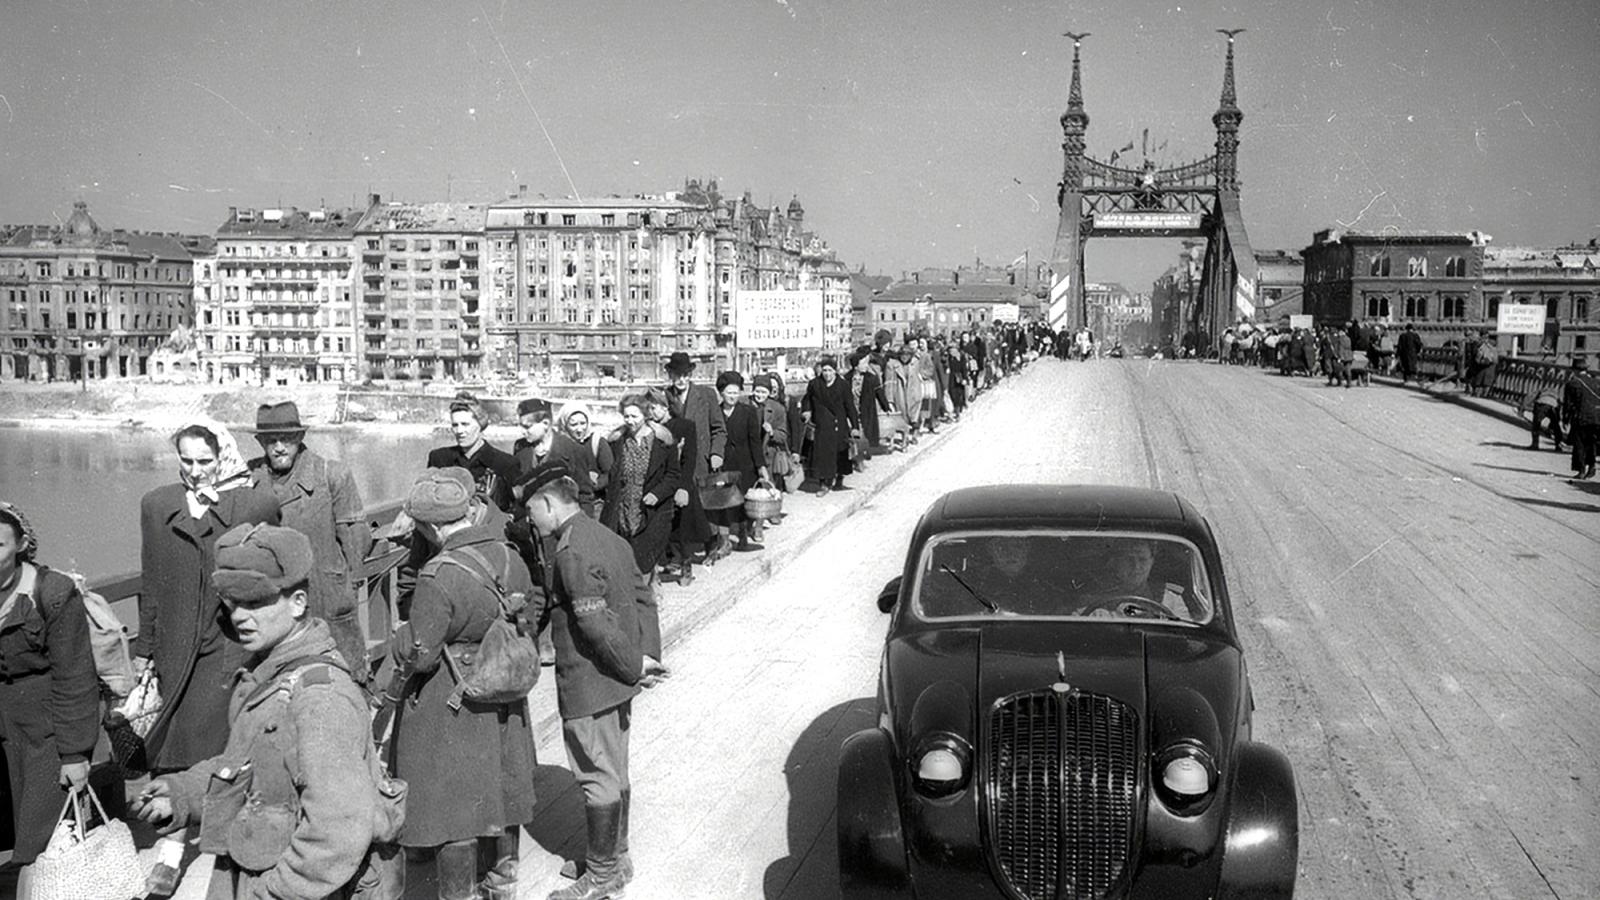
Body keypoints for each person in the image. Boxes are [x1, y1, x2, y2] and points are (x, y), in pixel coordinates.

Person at [130, 524, 391, 900]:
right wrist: (181, 792)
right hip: (257, 870)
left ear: (298, 602)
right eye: (232, 604)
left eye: (254, 603)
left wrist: (276, 891)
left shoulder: (319, 697)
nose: (238, 617)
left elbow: (338, 826)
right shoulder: (268, 673)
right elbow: (246, 764)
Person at [387, 468, 537, 900]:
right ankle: (503, 886)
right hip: (503, 688)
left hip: (453, 698)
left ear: (432, 526)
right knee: (501, 792)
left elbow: (421, 652)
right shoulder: (509, 555)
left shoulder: (437, 574)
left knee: (454, 807)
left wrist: (401, 635)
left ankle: (460, 894)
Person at [521, 463, 666, 900]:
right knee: (614, 769)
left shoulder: (570, 552)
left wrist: (632, 666)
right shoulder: (607, 537)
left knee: (595, 775)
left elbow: (594, 625)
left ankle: (601, 877)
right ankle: (616, 859)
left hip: (590, 681)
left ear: (548, 503)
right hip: (617, 683)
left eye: (532, 511)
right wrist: (646, 657)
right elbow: (644, 596)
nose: (530, 520)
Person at [0, 502, 98, 898]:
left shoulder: (53, 592)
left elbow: (75, 675)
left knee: (41, 835)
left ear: (21, 545)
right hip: (4, 724)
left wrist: (75, 754)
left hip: (45, 728)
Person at [247, 401, 373, 685]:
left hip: (327, 606)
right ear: (260, 442)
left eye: (287, 439)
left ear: (300, 438)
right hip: (274, 608)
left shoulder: (331, 475)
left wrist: (344, 590)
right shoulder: (249, 480)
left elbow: (356, 542)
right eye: (270, 440)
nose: (279, 447)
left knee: (346, 683)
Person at [601, 394, 680, 581]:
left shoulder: (663, 441)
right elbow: (610, 472)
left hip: (652, 510)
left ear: (645, 415)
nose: (630, 421)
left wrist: (657, 494)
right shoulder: (617, 441)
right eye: (626, 416)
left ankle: (647, 592)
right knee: (625, 555)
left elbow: (673, 475)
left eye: (634, 416)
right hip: (623, 508)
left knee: (645, 556)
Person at [643, 390, 711, 585]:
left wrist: (683, 487)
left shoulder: (684, 426)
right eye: (648, 409)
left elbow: (690, 459)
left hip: (681, 481)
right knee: (659, 527)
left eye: (654, 408)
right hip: (660, 484)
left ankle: (686, 567)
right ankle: (659, 568)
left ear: (665, 407)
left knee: (683, 528)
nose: (651, 413)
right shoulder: (650, 429)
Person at [709, 372, 770, 551]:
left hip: (745, 465)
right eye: (729, 393)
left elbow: (755, 441)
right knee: (724, 502)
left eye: (736, 393)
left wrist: (761, 466)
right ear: (721, 393)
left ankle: (743, 533)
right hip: (724, 465)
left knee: (743, 502)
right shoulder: (716, 413)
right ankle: (725, 540)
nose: (733, 396)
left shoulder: (749, 412)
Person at [427, 396, 518, 514]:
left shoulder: (505, 464)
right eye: (455, 425)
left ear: (481, 424)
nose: (459, 431)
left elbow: (516, 509)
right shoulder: (439, 459)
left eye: (465, 424)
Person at [513, 397, 595, 514]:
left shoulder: (573, 450)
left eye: (527, 427)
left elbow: (585, 497)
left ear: (545, 424)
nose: (522, 431)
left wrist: (581, 527)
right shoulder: (520, 447)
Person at [802, 356, 861, 497]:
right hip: (822, 424)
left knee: (840, 453)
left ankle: (839, 479)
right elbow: (807, 399)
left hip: (838, 424)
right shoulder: (814, 384)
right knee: (822, 455)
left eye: (830, 370)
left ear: (835, 371)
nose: (827, 374)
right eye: (824, 370)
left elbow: (850, 406)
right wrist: (806, 411)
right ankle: (823, 484)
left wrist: (854, 426)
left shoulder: (843, 385)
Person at [560, 401, 614, 521]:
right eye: (573, 425)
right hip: (566, 504)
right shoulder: (559, 445)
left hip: (594, 503)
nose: (579, 429)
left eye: (583, 423)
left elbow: (610, 473)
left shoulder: (597, 442)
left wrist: (595, 483)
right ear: (564, 424)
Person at [1562, 358, 1599, 479]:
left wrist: (1565, 419)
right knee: (1591, 442)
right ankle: (1592, 466)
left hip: (1580, 417)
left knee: (1580, 444)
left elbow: (1567, 404)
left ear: (1575, 370)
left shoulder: (1572, 383)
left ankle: (1581, 470)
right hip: (1596, 417)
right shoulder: (1596, 382)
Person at [1521, 383, 1565, 452]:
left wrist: (1522, 407)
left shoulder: (1541, 391)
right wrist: (1553, 424)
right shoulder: (1557, 395)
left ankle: (1535, 445)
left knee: (1536, 425)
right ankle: (1558, 446)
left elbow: (1530, 396)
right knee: (1556, 427)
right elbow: (1559, 407)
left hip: (1541, 404)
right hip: (1553, 406)